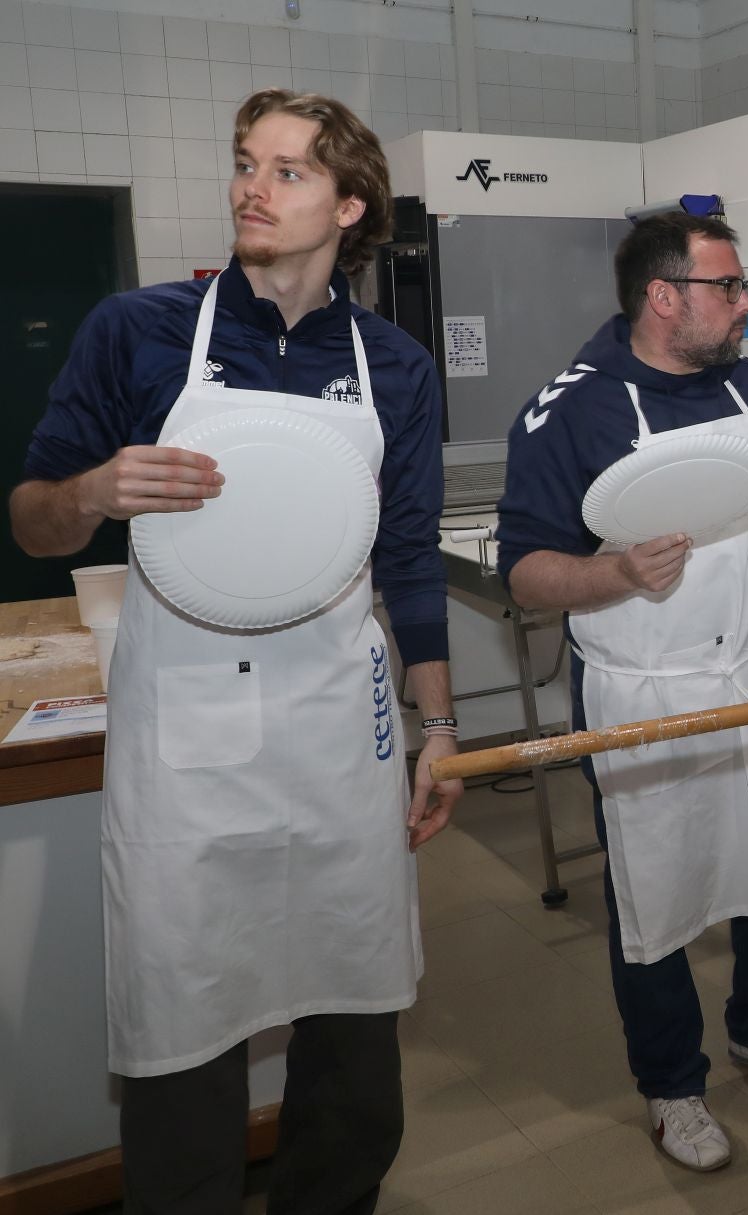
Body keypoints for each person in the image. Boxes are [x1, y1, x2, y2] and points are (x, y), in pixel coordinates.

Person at [9, 90, 462, 1214]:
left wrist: (440, 726)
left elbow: (408, 560)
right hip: (188, 723)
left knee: (356, 1033)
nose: (253, 188)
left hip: (335, 719)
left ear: (350, 205)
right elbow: (31, 516)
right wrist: (95, 490)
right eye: (245, 164)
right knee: (184, 1019)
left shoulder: (394, 367)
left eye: (290, 171)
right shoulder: (143, 330)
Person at [494, 212, 748, 1173]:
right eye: (728, 288)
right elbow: (523, 570)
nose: (747, 304)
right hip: (646, 690)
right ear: (664, 297)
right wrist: (616, 578)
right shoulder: (568, 410)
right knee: (654, 895)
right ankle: (672, 1084)